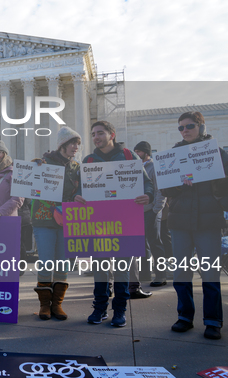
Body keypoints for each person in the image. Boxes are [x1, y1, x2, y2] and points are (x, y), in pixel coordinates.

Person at [161, 112, 228, 340]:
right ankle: (185, 317)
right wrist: (177, 186)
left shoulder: (217, 153)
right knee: (181, 274)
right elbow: (165, 189)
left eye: (189, 126)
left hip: (208, 222)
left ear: (201, 126)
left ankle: (213, 321)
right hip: (180, 222)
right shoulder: (173, 154)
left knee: (210, 273)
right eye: (180, 128)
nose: (184, 130)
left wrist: (220, 204)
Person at [76, 121, 153, 327]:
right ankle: (100, 307)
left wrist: (148, 195)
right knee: (100, 267)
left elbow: (146, 183)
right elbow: (79, 188)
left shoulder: (129, 156)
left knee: (122, 268)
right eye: (93, 134)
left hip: (125, 221)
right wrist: (78, 196)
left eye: (100, 133)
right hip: (98, 222)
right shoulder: (89, 160)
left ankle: (120, 310)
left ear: (112, 134)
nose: (96, 137)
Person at [30, 126, 81, 320]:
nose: (76, 147)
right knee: (45, 262)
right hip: (44, 220)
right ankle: (44, 305)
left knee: (62, 263)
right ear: (62, 145)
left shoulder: (76, 167)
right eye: (72, 143)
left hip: (66, 220)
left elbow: (80, 191)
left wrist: (77, 196)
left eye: (77, 144)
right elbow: (30, 187)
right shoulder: (43, 163)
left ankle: (57, 305)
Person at [127, 141, 167, 298]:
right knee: (141, 245)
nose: (136, 153)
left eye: (139, 151)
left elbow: (160, 190)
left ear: (146, 152)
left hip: (151, 211)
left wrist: (156, 209)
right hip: (136, 212)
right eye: (135, 150)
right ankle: (144, 274)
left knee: (155, 243)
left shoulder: (154, 167)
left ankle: (161, 276)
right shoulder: (134, 167)